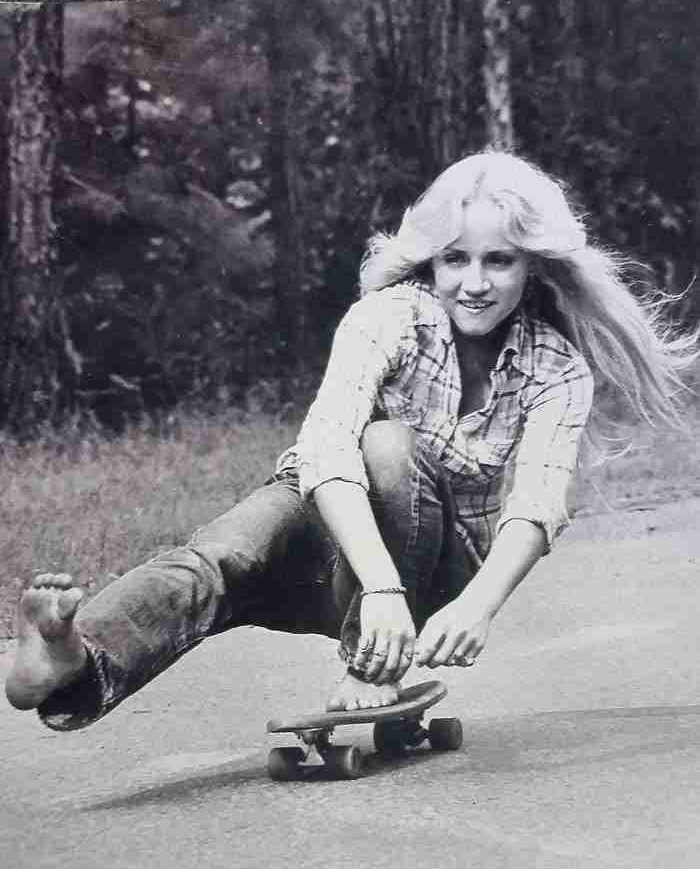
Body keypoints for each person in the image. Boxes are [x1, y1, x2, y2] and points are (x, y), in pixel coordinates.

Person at [5, 151, 697, 731]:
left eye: (501, 262)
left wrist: (475, 608)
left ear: (533, 269)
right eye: (455, 259)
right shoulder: (387, 318)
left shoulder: (555, 368)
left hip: (441, 571)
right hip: (341, 532)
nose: (476, 283)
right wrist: (380, 586)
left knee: (391, 444)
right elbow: (327, 448)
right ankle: (75, 655)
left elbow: (538, 504)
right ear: (430, 260)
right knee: (216, 558)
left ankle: (374, 659)